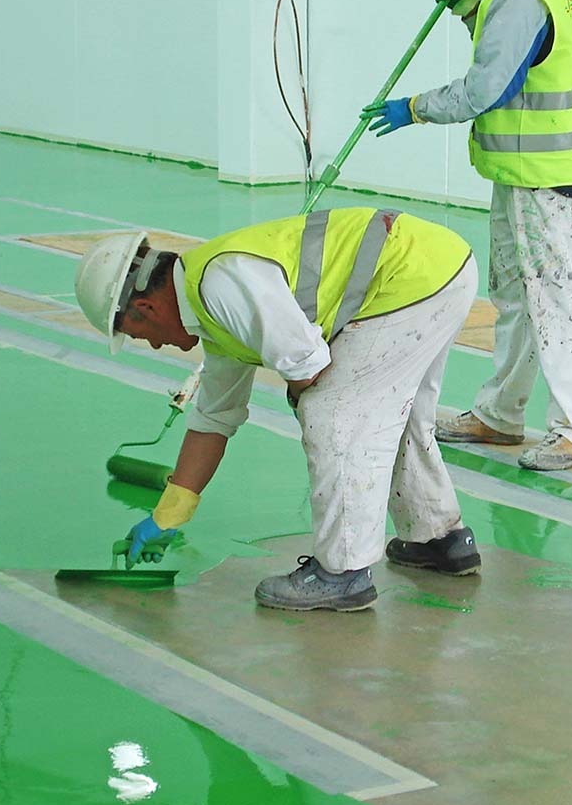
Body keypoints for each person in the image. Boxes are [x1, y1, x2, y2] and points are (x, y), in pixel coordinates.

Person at [74, 207, 482, 612]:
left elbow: (308, 366)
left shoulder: (220, 284)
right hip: (439, 265)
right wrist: (166, 516)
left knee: (332, 412)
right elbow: (214, 419)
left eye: (138, 335)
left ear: (146, 308)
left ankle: (342, 573)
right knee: (398, 415)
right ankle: (440, 539)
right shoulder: (212, 313)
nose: (152, 344)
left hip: (409, 276)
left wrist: (301, 395)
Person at [362, 0, 572, 472]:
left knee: (555, 298)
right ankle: (500, 414)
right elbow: (518, 57)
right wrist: (471, 9)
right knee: (516, 294)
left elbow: (486, 88)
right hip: (522, 169)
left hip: (546, 173)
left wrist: (414, 108)